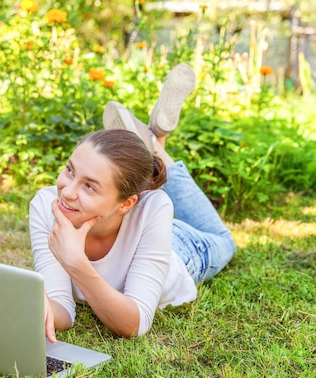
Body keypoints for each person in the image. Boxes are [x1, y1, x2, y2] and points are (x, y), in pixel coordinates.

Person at [29, 64, 236, 342]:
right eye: (69, 170)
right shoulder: (46, 205)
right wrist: (37, 306)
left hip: (182, 249)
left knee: (225, 241)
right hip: (141, 230)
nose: (67, 192)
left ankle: (154, 144)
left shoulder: (154, 207)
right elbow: (62, 309)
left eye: (89, 186)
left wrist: (76, 263)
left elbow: (135, 324)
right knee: (131, 177)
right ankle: (152, 141)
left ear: (126, 204)